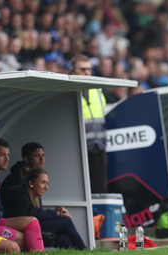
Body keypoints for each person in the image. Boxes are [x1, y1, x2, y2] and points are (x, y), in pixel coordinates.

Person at [0, 137, 44, 252]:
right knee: (24, 239)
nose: (7, 159)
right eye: (2, 155)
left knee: (33, 221)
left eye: (8, 155)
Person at [6, 168, 86, 250]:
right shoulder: (22, 197)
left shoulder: (37, 198)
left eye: (47, 183)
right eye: (43, 183)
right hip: (21, 232)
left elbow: (39, 214)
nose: (46, 187)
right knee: (66, 221)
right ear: (31, 183)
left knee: (63, 239)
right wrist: (57, 214)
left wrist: (57, 213)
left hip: (33, 227)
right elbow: (24, 220)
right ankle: (85, 250)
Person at [70, 54, 107, 193]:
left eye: (89, 69)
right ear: (72, 70)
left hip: (98, 148)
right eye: (82, 69)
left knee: (99, 191)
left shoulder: (97, 90)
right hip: (78, 150)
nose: (87, 73)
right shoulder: (68, 91)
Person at [0, 142, 45, 217]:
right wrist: (56, 213)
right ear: (27, 159)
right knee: (64, 221)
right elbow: (31, 212)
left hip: (29, 218)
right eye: (37, 155)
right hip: (14, 221)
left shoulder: (32, 175)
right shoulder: (20, 176)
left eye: (43, 155)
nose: (42, 159)